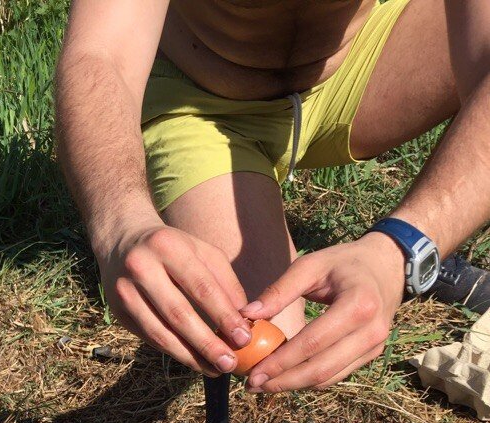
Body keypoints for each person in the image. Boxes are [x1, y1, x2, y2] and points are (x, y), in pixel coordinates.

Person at [54, 0, 490, 394]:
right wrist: (121, 222)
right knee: (268, 342)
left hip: (361, 67)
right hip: (205, 101)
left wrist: (403, 246)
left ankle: (424, 256)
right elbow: (101, 53)